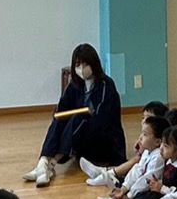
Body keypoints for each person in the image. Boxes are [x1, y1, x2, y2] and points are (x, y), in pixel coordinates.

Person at [25, 44, 125, 186]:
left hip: (103, 143)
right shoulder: (75, 85)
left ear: (94, 64)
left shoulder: (106, 85)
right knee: (59, 118)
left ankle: (50, 164)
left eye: (85, 64)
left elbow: (101, 121)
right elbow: (61, 109)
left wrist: (77, 128)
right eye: (78, 65)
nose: (81, 69)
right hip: (81, 141)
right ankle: (43, 161)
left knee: (79, 118)